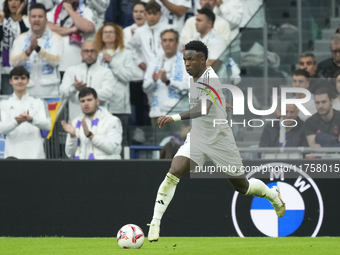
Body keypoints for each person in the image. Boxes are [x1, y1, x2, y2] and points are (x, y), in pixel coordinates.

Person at [147, 40, 285, 242]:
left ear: (203, 60)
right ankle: (155, 222)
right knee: (173, 172)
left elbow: (202, 108)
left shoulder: (209, 78)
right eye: (185, 60)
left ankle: (273, 195)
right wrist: (220, 100)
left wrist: (173, 117)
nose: (187, 64)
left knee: (242, 187)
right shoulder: (193, 76)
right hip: (198, 138)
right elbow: (208, 99)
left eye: (191, 60)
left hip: (220, 140)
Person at [9, 3, 63, 97]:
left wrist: (37, 49)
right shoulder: (20, 39)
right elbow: (13, 62)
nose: (37, 19)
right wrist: (28, 52)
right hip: (26, 94)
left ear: (46, 20)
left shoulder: (56, 39)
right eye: (33, 16)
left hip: (50, 94)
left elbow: (55, 61)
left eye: (40, 16)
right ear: (29, 19)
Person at [94, 22, 133, 147]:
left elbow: (128, 76)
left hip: (119, 105)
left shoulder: (125, 53)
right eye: (105, 32)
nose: (108, 35)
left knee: (122, 139)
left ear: (117, 35)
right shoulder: (95, 54)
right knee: (101, 136)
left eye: (111, 32)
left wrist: (112, 62)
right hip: (101, 104)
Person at [0, 66, 51, 159]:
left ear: (28, 81)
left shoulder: (39, 101)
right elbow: (1, 129)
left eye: (23, 78)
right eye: (16, 78)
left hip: (36, 157)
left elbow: (47, 125)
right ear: (10, 81)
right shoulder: (3, 104)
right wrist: (16, 122)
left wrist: (31, 119)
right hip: (12, 157)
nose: (20, 81)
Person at [143, 29, 189, 130]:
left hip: (177, 115)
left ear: (177, 43)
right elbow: (145, 88)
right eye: (164, 40)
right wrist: (154, 81)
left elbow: (187, 87)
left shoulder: (185, 61)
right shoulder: (154, 62)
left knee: (179, 145)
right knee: (160, 146)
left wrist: (168, 82)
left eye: (170, 40)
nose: (167, 44)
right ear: (161, 43)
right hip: (157, 114)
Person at [60, 40, 116, 121]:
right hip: (76, 120)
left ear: (97, 53)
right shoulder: (71, 70)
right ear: (81, 53)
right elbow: (63, 93)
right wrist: (74, 88)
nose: (89, 54)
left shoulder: (106, 72)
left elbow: (108, 93)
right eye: (86, 51)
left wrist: (86, 92)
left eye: (92, 51)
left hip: (99, 122)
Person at [62, 87, 123, 159]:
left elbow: (112, 148)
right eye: (82, 101)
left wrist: (90, 136)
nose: (86, 103)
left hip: (107, 168)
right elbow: (70, 153)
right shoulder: (76, 123)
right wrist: (72, 136)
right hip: (83, 168)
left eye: (89, 100)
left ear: (97, 101)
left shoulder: (112, 121)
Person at [47, 0, 96, 75]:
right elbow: (46, 27)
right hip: (55, 64)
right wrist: (72, 30)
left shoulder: (86, 10)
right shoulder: (56, 9)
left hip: (75, 64)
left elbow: (88, 27)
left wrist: (70, 10)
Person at [124, 1, 149, 126]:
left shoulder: (150, 30)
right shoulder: (126, 32)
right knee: (135, 107)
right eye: (136, 11)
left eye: (141, 11)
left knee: (148, 108)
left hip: (148, 75)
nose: (138, 14)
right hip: (132, 76)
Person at [128, 1, 170, 71]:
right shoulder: (140, 31)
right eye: (149, 13)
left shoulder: (168, 30)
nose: (152, 16)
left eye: (155, 14)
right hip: (148, 70)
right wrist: (139, 62)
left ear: (160, 14)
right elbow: (131, 47)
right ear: (145, 14)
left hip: (166, 69)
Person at [0, 0, 29, 95]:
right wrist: (0, 23)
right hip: (5, 68)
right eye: (10, 0)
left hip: (23, 68)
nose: (13, 3)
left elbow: (27, 37)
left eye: (16, 0)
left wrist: (19, 18)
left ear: (22, 3)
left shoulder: (27, 19)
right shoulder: (2, 19)